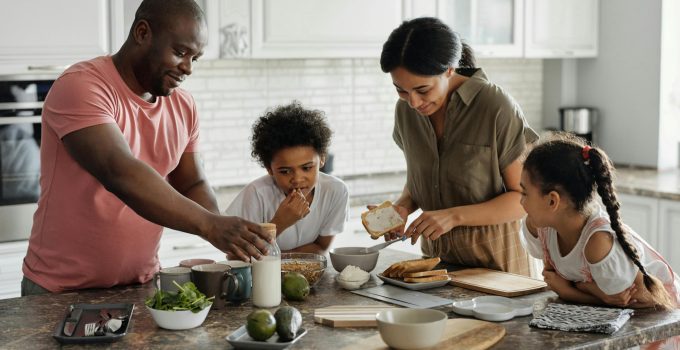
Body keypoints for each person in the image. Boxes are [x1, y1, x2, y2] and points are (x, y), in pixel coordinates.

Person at [21, 0, 271, 295]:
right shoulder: (81, 86)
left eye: (195, 58)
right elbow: (120, 172)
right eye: (180, 52)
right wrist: (210, 226)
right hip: (60, 290)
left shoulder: (183, 105)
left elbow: (192, 182)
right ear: (142, 32)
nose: (188, 68)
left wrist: (224, 231)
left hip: (141, 285)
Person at [378, 17, 538, 275]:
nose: (414, 103)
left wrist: (453, 216)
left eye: (423, 90)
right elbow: (423, 180)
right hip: (436, 269)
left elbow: (524, 199)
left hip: (499, 270)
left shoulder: (495, 106)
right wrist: (403, 207)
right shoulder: (406, 113)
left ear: (450, 69)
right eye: (401, 91)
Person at [520, 134, 679, 309]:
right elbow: (554, 280)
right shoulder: (542, 227)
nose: (521, 202)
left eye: (525, 193)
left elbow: (639, 300)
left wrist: (571, 292)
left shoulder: (598, 242)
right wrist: (591, 290)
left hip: (663, 314)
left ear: (552, 201)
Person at [225, 102, 349, 254]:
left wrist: (283, 261)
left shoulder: (335, 191)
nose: (297, 179)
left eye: (306, 168)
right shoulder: (256, 194)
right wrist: (280, 222)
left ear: (322, 159)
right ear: (269, 168)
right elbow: (235, 256)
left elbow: (321, 247)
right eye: (285, 171)